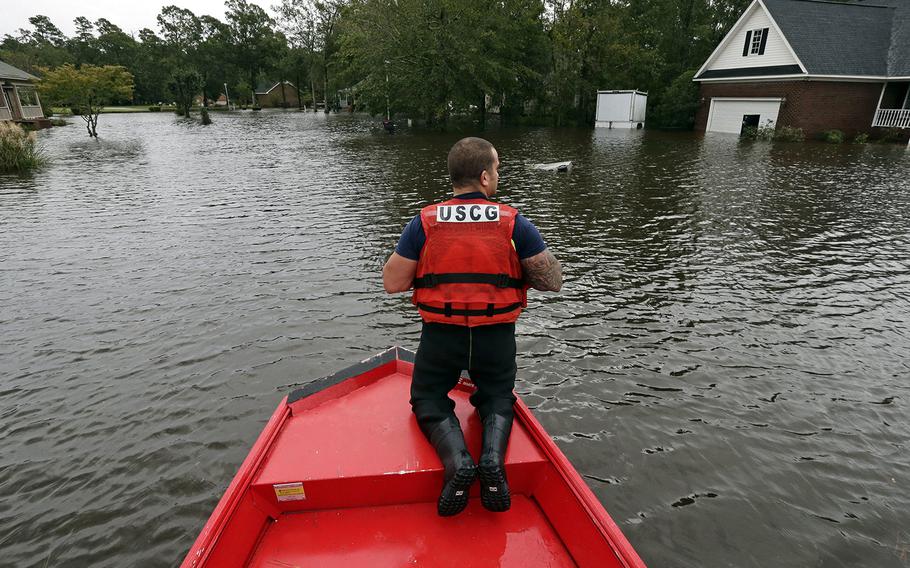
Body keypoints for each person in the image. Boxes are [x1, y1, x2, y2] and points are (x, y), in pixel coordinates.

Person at [383, 137, 562, 517]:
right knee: (496, 394)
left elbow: (393, 283)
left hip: (441, 337)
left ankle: (458, 462)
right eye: (497, 169)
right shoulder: (514, 222)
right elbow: (551, 281)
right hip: (495, 336)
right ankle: (492, 463)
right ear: (484, 176)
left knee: (428, 399)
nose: (497, 176)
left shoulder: (424, 222)